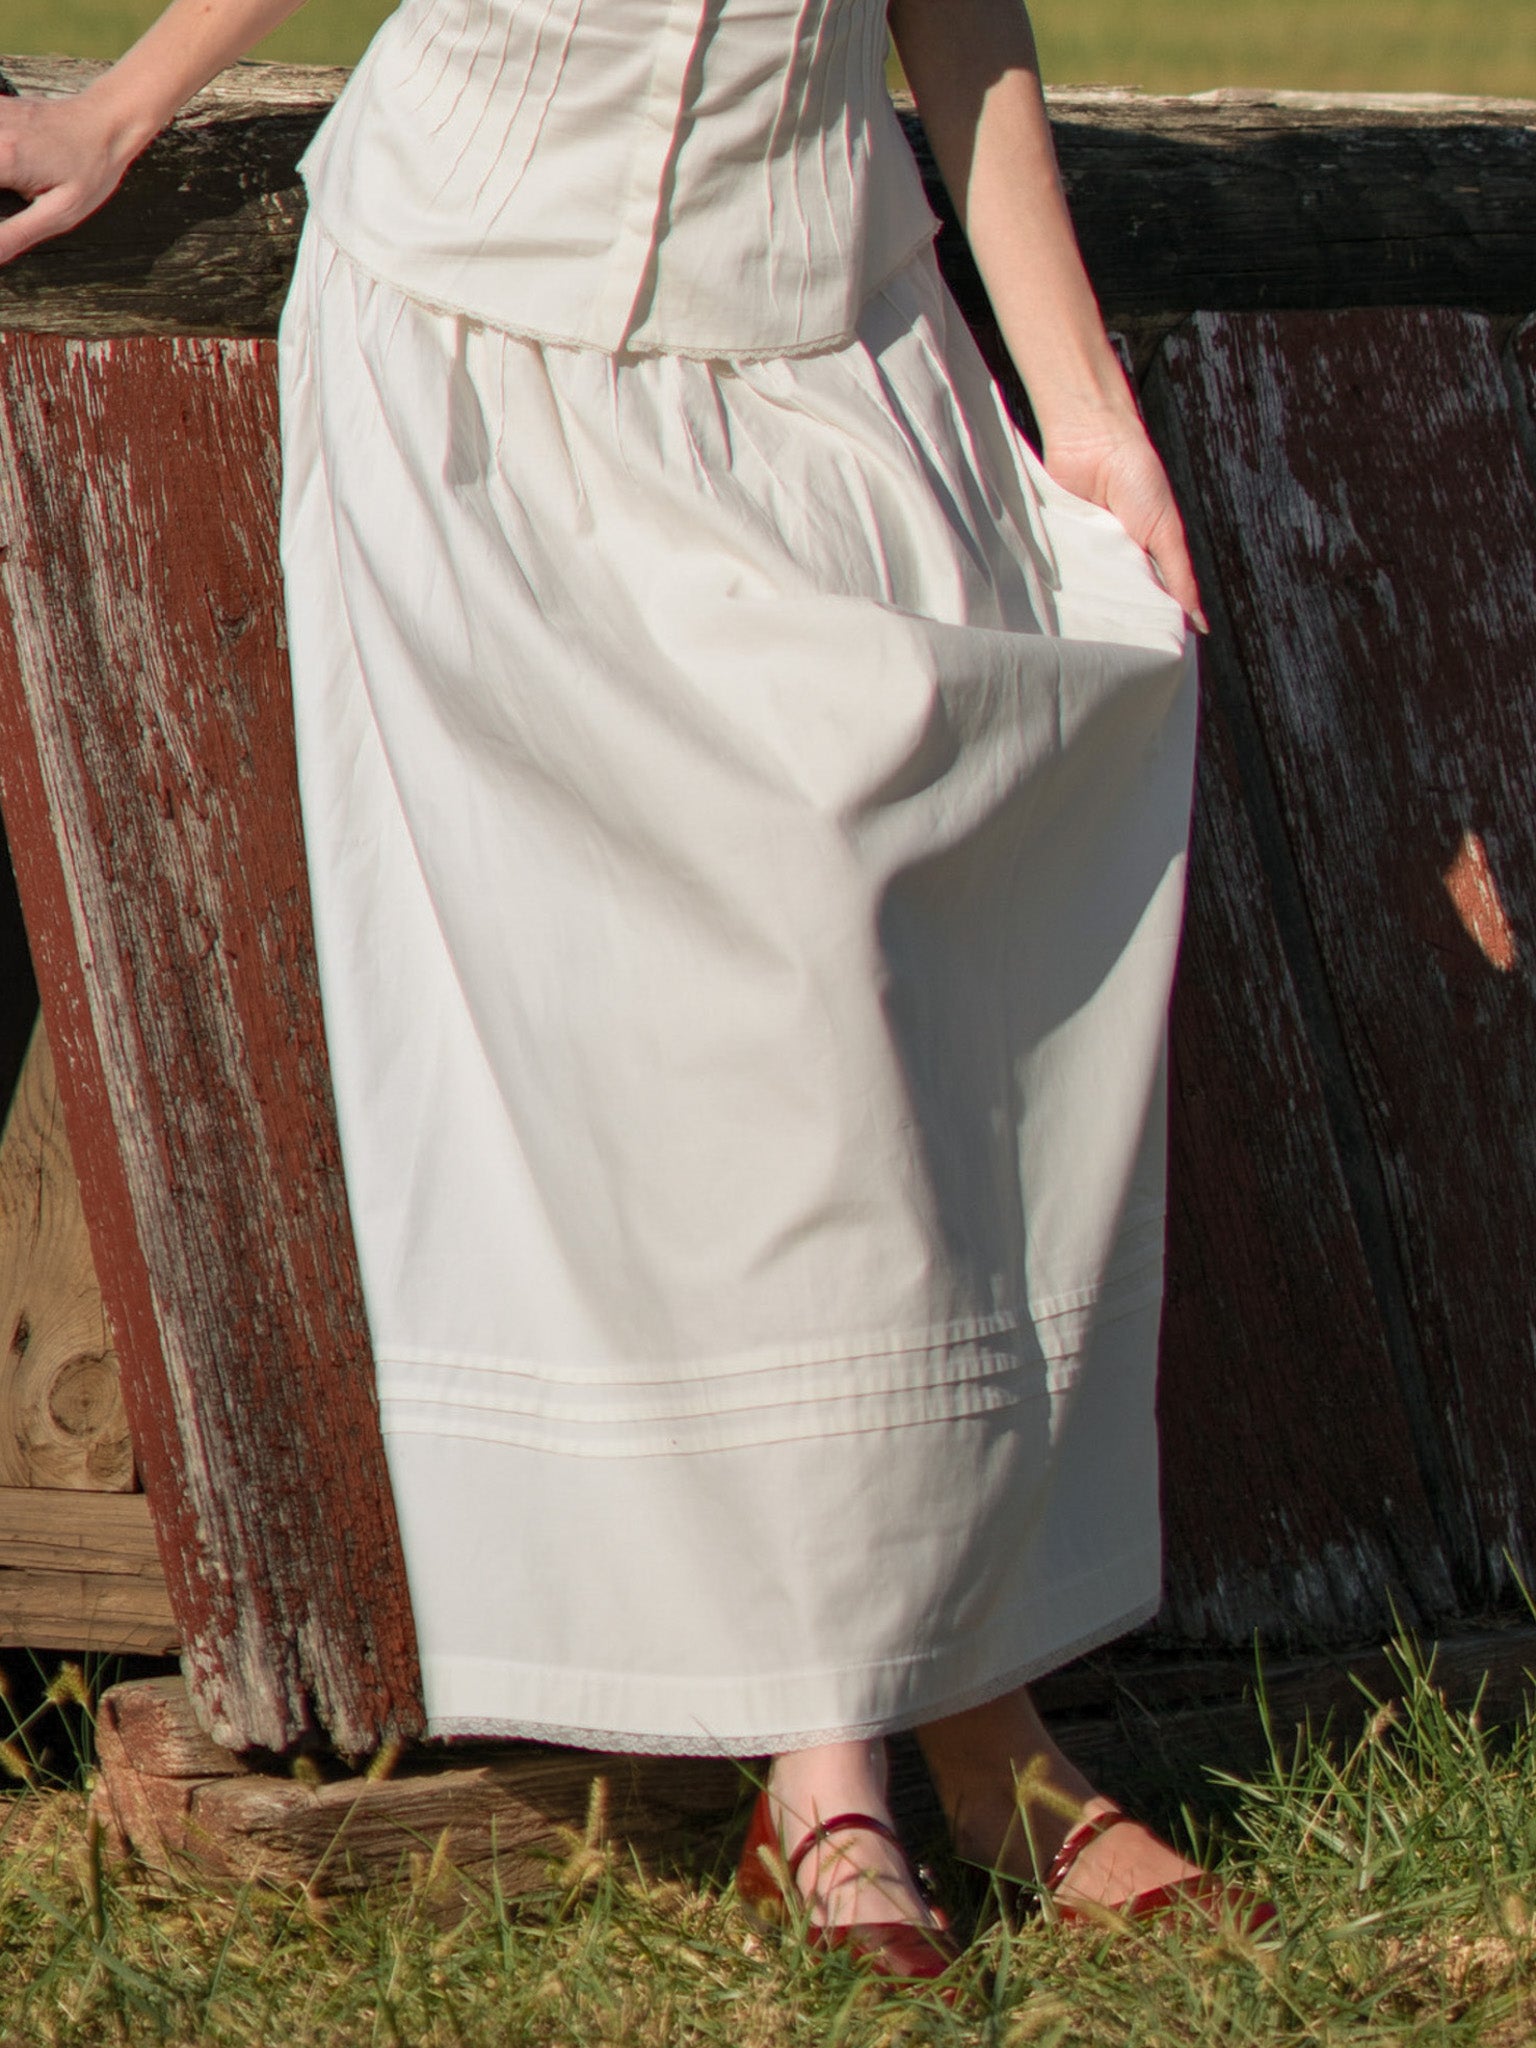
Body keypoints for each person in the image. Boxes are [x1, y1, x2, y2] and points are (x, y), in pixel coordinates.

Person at [0, 0, 1270, 1982]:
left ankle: (986, 1717)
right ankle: (833, 1763)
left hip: (840, 334)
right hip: (497, 347)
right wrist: (132, 102)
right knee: (752, 1028)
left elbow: (959, 13)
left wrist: (1085, 415)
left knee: (941, 1007)